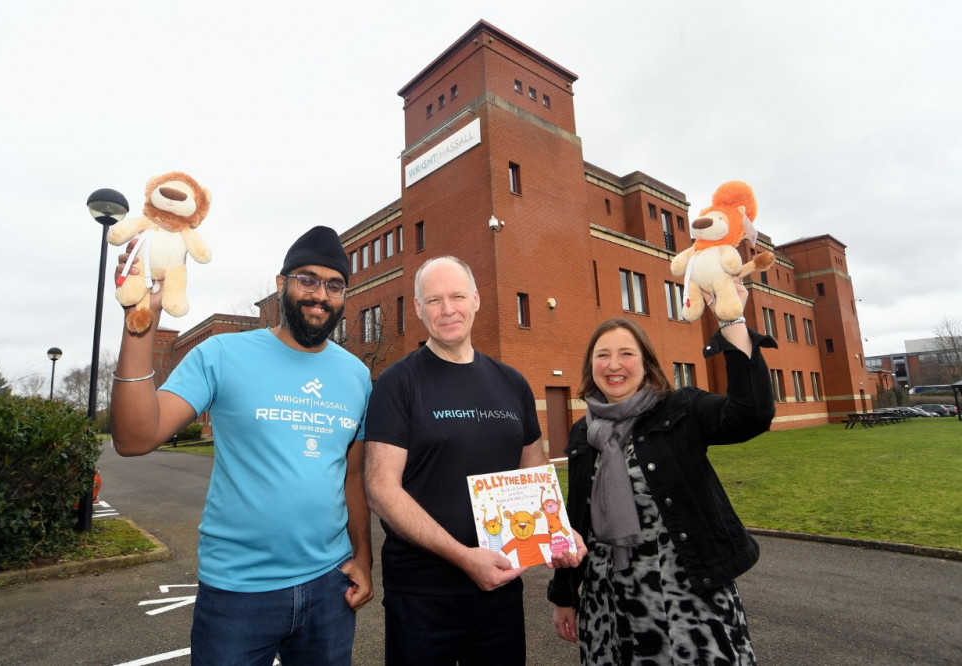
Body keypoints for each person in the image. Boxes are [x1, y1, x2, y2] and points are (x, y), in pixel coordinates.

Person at [110, 226, 373, 665]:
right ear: (281, 284)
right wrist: (140, 324)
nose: (320, 295)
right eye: (307, 279)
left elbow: (354, 476)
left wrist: (364, 559)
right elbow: (135, 438)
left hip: (330, 586)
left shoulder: (356, 375)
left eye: (334, 285)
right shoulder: (221, 355)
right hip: (238, 592)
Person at [364, 255, 585, 666]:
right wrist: (463, 557)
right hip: (422, 594)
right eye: (433, 300)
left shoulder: (511, 383)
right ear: (417, 308)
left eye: (457, 296)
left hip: (499, 586)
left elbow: (534, 473)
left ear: (477, 300)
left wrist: (560, 530)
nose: (447, 309)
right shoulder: (398, 383)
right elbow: (380, 488)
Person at [548, 288, 776, 665]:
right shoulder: (583, 432)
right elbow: (577, 521)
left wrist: (732, 322)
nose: (613, 364)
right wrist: (564, 596)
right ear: (591, 366)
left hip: (687, 595)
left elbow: (751, 414)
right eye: (602, 355)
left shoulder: (680, 409)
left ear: (646, 362)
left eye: (626, 354)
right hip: (608, 602)